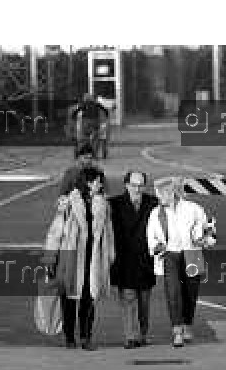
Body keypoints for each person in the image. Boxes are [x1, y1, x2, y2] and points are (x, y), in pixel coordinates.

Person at [45, 164, 114, 350]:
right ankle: (69, 337)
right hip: (71, 258)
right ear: (88, 183)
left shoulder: (103, 204)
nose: (101, 185)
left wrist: (110, 256)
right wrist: (50, 258)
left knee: (89, 298)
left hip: (93, 258)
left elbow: (108, 234)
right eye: (98, 182)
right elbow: (55, 231)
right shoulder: (68, 204)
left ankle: (85, 337)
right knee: (68, 299)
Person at [147, 177, 209, 348]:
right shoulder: (156, 213)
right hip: (170, 255)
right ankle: (177, 332)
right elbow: (151, 236)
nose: (159, 198)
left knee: (191, 291)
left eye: (161, 194)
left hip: (193, 253)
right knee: (173, 292)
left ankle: (188, 324)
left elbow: (207, 229)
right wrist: (157, 246)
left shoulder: (193, 209)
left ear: (171, 192)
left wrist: (204, 238)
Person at [109, 171, 159, 349]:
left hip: (146, 260)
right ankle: (131, 336)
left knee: (144, 302)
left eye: (141, 185)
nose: (137, 189)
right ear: (126, 185)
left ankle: (143, 334)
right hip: (124, 260)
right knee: (128, 299)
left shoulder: (153, 202)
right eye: (134, 185)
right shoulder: (113, 204)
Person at [72, 93, 109, 159]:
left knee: (84, 138)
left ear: (85, 98)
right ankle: (94, 155)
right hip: (95, 122)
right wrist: (106, 116)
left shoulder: (83, 104)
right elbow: (105, 110)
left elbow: (76, 111)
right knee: (95, 139)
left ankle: (79, 153)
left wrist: (74, 117)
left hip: (85, 123)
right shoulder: (96, 104)